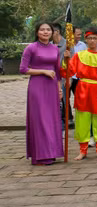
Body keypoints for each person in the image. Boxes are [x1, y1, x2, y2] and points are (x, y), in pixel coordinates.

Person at [67, 27, 97, 160]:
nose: (92, 41)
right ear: (86, 40)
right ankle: (83, 150)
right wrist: (66, 61)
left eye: (95, 38)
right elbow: (67, 72)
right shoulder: (79, 55)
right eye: (89, 38)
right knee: (82, 119)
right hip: (83, 89)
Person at [21, 22, 64, 165]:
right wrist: (43, 71)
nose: (45, 32)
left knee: (52, 119)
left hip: (52, 86)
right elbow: (23, 69)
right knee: (40, 119)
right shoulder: (31, 48)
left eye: (48, 30)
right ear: (37, 32)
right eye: (42, 30)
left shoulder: (54, 49)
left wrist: (59, 89)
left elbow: (57, 71)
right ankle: (39, 155)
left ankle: (51, 152)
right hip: (37, 86)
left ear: (52, 33)